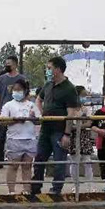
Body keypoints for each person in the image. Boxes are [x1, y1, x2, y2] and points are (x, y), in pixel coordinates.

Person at [31, 57, 79, 195]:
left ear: (57, 69)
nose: (47, 71)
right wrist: (41, 113)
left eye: (49, 68)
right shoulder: (47, 85)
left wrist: (67, 134)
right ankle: (35, 187)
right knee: (39, 159)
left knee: (59, 162)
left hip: (59, 131)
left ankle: (56, 189)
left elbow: (71, 113)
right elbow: (38, 99)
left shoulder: (69, 88)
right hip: (45, 129)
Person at [0, 78, 39, 195]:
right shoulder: (8, 105)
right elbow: (2, 121)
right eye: (14, 90)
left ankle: (26, 190)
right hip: (14, 140)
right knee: (13, 166)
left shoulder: (32, 105)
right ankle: (11, 191)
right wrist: (16, 120)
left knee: (27, 167)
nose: (16, 92)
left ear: (25, 90)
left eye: (19, 90)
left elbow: (39, 120)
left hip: (30, 139)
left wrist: (33, 118)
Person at [0, 56, 25, 170]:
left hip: (18, 112)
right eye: (6, 63)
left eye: (9, 64)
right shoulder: (1, 79)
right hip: (3, 112)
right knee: (0, 137)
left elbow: (26, 95)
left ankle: (19, 159)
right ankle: (0, 160)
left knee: (18, 136)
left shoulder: (22, 78)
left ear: (15, 65)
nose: (7, 66)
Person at [69, 86, 95, 192]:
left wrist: (77, 126)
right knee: (74, 162)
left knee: (87, 161)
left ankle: (90, 186)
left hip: (84, 137)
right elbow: (69, 123)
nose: (84, 98)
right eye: (82, 95)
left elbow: (89, 123)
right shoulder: (70, 109)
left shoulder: (86, 109)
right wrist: (75, 127)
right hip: (73, 137)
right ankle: (75, 186)